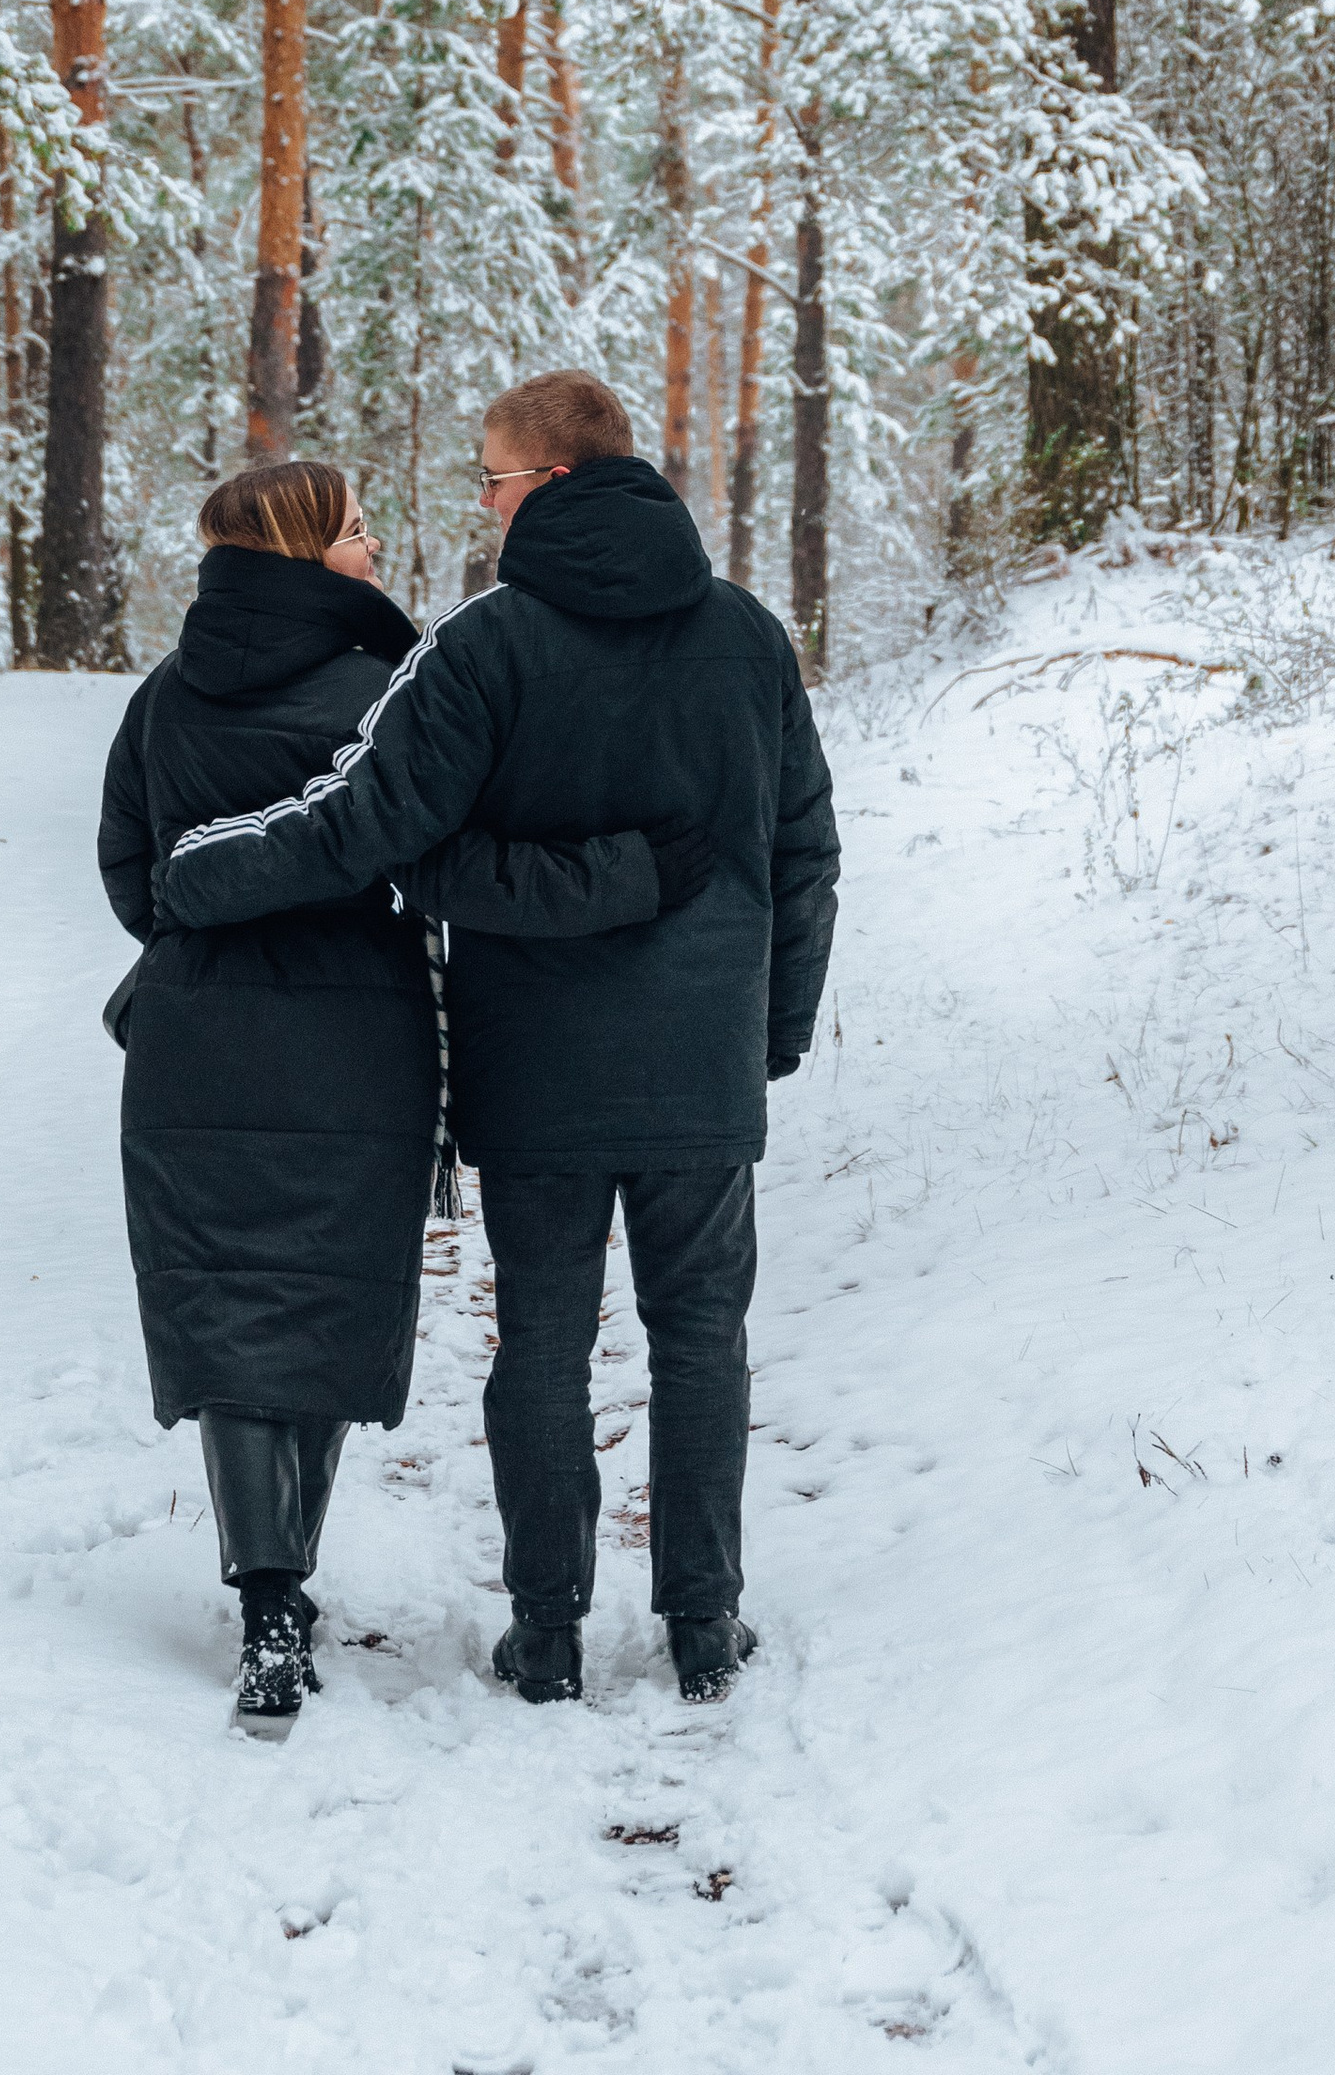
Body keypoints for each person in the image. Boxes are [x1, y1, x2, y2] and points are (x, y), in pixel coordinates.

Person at [154, 372, 840, 1708]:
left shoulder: (484, 646)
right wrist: (771, 1029)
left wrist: (202, 876)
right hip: (702, 1058)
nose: (482, 502)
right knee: (702, 1336)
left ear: (549, 482)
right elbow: (805, 852)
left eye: (491, 478)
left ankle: (549, 1637)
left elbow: (367, 828)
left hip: (537, 1066)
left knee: (541, 1344)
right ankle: (704, 1626)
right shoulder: (748, 639)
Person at [98, 456, 707, 1735]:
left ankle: (271, 1600)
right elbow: (446, 863)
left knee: (230, 1316)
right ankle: (281, 1592)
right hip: (352, 1040)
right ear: (309, 551)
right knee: (315, 1303)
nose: (377, 549)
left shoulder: (160, 698)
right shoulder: (383, 694)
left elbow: (128, 870)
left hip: (195, 1036)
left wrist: (210, 929)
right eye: (360, 531)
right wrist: (630, 873)